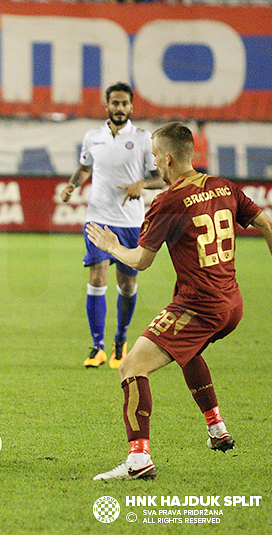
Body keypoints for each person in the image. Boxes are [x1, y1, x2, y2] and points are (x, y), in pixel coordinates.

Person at [86, 122, 272, 480]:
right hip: (231, 304)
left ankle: (138, 461)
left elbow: (141, 260)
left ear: (168, 158)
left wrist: (111, 247)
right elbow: (265, 224)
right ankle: (217, 429)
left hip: (199, 308)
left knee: (131, 368)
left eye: (155, 155)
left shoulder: (168, 201)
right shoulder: (223, 186)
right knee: (189, 350)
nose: (154, 161)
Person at [60, 81, 164, 369]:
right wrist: (71, 186)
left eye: (124, 103)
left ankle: (120, 339)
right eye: (115, 103)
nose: (119, 108)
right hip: (98, 217)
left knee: (127, 284)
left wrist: (141, 184)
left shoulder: (144, 139)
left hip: (131, 222)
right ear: (107, 106)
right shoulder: (93, 137)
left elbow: (160, 177)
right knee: (96, 279)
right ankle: (97, 347)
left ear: (131, 106)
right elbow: (84, 168)